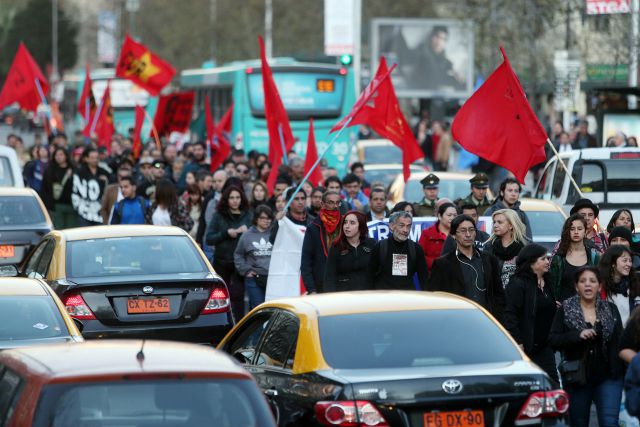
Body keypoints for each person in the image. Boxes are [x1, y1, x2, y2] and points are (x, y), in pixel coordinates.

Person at [549, 266, 624, 427]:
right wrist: (577, 335)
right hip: (577, 377)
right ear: (576, 286)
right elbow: (553, 340)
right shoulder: (566, 309)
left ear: (600, 286)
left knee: (610, 422)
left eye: (592, 281)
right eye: (583, 281)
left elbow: (620, 341)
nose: (588, 285)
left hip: (608, 376)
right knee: (578, 422)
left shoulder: (610, 309)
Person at [429, 215, 505, 321]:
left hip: (487, 321)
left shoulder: (489, 260)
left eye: (471, 230)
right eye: (463, 231)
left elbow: (498, 294)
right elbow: (436, 297)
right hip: (456, 321)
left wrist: (497, 319)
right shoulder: (442, 264)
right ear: (454, 235)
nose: (468, 234)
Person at [504, 244, 558, 382]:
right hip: (526, 347)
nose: (547, 262)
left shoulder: (548, 281)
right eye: (543, 259)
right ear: (531, 262)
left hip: (545, 347)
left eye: (547, 258)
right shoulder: (518, 283)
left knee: (552, 385)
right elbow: (510, 315)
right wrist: (518, 342)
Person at [206, 186, 253, 322]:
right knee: (221, 296)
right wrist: (226, 233)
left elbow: (256, 234)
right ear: (226, 200)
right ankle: (222, 322)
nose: (235, 201)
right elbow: (209, 238)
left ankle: (239, 324)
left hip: (240, 263)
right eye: (231, 198)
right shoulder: (219, 215)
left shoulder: (248, 215)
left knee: (238, 296)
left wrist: (247, 231)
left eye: (237, 197)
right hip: (222, 262)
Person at [367, 211, 429, 290]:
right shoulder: (380, 247)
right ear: (392, 226)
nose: (405, 230)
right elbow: (370, 275)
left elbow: (424, 278)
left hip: (407, 297)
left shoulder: (416, 249)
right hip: (384, 297)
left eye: (408, 226)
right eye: (401, 226)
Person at [550, 214, 601, 302]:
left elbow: (600, 283)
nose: (576, 232)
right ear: (567, 231)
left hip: (588, 307)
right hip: (564, 308)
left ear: (585, 231)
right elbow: (552, 286)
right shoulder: (559, 258)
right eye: (572, 229)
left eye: (580, 229)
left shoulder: (594, 257)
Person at [301, 191, 343, 293]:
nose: (335, 206)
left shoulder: (345, 224)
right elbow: (306, 262)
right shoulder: (313, 228)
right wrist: (311, 289)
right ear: (322, 204)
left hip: (343, 283)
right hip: (320, 285)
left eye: (338, 203)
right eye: (331, 202)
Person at [324, 210, 376, 292]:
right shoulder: (336, 246)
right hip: (343, 296)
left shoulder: (371, 244)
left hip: (367, 295)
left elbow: (377, 272)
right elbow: (329, 277)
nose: (347, 226)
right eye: (345, 222)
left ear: (361, 226)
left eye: (352, 223)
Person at [233, 205, 274, 310]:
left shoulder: (274, 233)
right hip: (254, 278)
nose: (266, 221)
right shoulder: (247, 235)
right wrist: (246, 271)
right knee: (258, 309)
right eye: (263, 218)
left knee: (273, 308)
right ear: (256, 219)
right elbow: (238, 254)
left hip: (273, 277)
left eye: (269, 218)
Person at [483, 209, 530, 289]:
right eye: (494, 222)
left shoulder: (525, 247)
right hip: (495, 295)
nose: (495, 225)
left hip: (518, 294)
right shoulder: (489, 246)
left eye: (500, 222)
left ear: (511, 225)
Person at [412, 25, 465, 91]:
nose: (439, 42)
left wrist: (457, 77)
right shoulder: (420, 55)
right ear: (431, 37)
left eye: (443, 39)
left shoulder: (447, 63)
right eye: (437, 37)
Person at [599, 245, 640, 325]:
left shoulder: (634, 285)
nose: (629, 264)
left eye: (630, 261)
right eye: (625, 260)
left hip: (630, 334)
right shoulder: (600, 286)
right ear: (613, 263)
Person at [71, 147, 110, 226]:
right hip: (84, 211)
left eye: (97, 158)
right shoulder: (79, 172)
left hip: (99, 212)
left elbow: (112, 183)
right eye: (92, 158)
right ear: (86, 159)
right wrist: (78, 207)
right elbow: (75, 191)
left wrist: (106, 181)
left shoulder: (103, 171)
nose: (95, 160)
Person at [41, 147, 76, 229]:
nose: (58, 157)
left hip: (71, 206)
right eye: (56, 155)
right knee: (58, 230)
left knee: (72, 230)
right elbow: (45, 189)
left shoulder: (74, 170)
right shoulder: (49, 170)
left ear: (66, 156)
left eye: (61, 154)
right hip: (56, 206)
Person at [418, 202, 457, 270]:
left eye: (455, 215)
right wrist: (436, 263)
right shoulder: (427, 233)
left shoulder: (460, 234)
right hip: (433, 275)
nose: (452, 218)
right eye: (449, 215)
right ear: (439, 216)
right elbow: (419, 256)